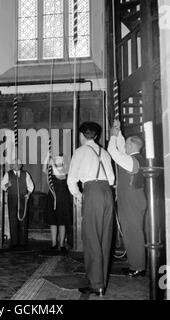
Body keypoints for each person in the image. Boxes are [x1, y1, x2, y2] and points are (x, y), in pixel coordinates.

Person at [67, 122, 114, 297]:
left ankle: (96, 284)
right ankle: (100, 281)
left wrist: (79, 196)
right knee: (105, 237)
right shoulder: (105, 152)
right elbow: (111, 178)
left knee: (92, 237)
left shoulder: (80, 152)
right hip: (107, 192)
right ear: (95, 136)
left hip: (92, 192)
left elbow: (71, 180)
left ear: (81, 135)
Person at [108, 120, 147, 278]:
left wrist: (112, 136)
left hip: (131, 199)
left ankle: (138, 267)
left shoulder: (130, 161)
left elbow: (112, 151)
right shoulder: (137, 158)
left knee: (133, 233)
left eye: (126, 145)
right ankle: (134, 264)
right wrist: (119, 131)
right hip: (135, 198)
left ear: (131, 147)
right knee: (132, 232)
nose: (124, 147)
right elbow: (121, 147)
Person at [1, 159, 34, 251]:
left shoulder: (25, 174)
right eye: (14, 164)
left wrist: (29, 194)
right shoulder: (8, 174)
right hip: (12, 199)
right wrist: (8, 184)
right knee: (13, 219)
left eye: (18, 164)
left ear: (21, 165)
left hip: (23, 199)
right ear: (11, 166)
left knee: (23, 219)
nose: (15, 165)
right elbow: (2, 185)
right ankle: (14, 242)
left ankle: (23, 242)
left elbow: (31, 186)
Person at [43, 154, 72, 253]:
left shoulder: (66, 170)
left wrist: (53, 166)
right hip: (52, 197)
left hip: (63, 198)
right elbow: (44, 170)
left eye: (60, 160)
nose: (57, 161)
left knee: (62, 221)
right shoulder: (51, 170)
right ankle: (54, 243)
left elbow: (60, 176)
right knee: (53, 221)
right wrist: (47, 156)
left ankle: (62, 244)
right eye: (56, 160)